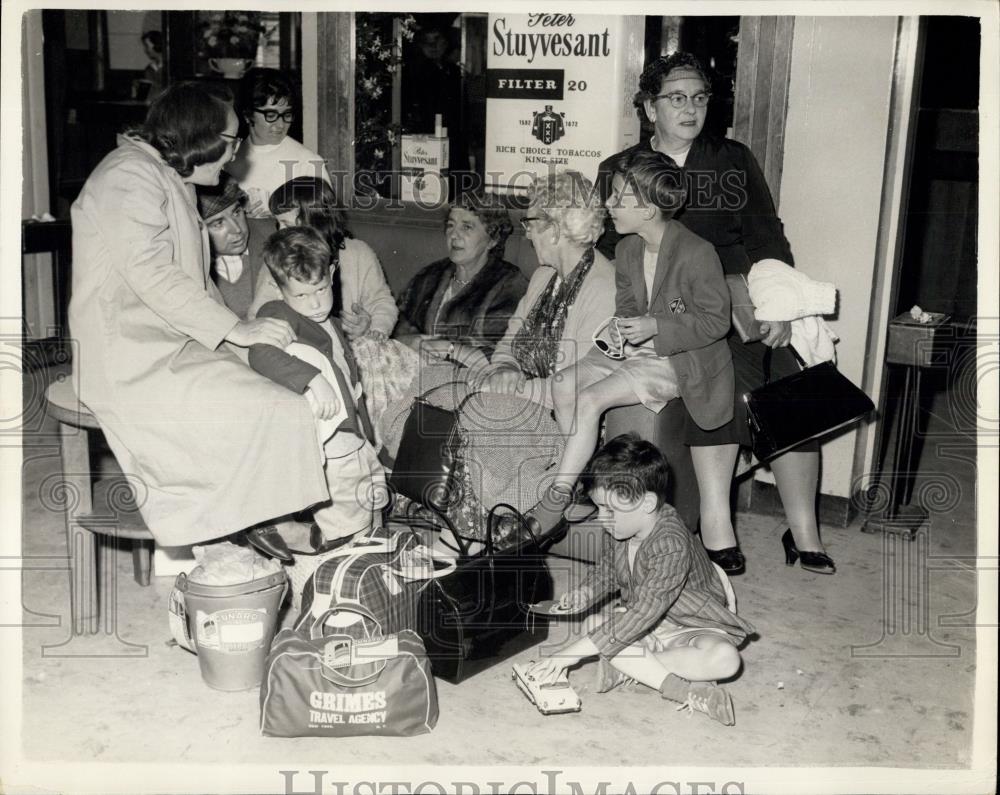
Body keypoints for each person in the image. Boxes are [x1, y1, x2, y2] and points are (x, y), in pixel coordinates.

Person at [68, 82, 329, 559]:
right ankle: (246, 519)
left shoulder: (172, 178)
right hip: (128, 351)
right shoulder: (128, 177)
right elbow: (152, 274)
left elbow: (198, 283)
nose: (235, 157)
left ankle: (262, 514)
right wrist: (236, 332)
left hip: (175, 339)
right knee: (246, 409)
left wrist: (238, 342)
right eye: (230, 143)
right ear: (197, 138)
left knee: (286, 402)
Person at [597, 52, 835, 575]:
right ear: (648, 107)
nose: (691, 108)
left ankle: (803, 532)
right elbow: (617, 252)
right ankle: (717, 524)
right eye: (676, 98)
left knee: (792, 386)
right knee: (716, 376)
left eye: (700, 98)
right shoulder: (618, 169)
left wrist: (777, 309)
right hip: (675, 306)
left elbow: (767, 239)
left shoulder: (731, 158)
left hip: (739, 296)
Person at [380, 171, 614, 550]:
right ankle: (427, 499)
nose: (527, 232)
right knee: (435, 378)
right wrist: (502, 368)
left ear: (555, 229)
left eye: (533, 223)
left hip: (559, 419)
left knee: (479, 414)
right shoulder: (544, 278)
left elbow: (581, 381)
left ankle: (461, 539)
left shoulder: (603, 288)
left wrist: (518, 387)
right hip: (517, 392)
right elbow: (507, 343)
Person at [539, 148, 734, 532]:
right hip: (634, 350)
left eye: (617, 196)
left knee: (592, 399)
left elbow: (716, 322)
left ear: (647, 210)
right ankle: (581, 480)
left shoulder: (698, 253)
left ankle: (558, 495)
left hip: (676, 358)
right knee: (562, 384)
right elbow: (628, 306)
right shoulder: (628, 249)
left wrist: (655, 326)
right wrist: (619, 328)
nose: (608, 203)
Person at [525, 434, 755, 726]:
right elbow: (609, 569)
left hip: (693, 621)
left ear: (647, 503)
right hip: (648, 626)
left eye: (610, 510)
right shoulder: (621, 527)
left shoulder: (670, 542)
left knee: (726, 658)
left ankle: (633, 669)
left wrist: (565, 656)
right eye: (599, 508)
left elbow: (643, 612)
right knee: (593, 625)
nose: (601, 519)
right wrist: (586, 592)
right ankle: (670, 681)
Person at [248, 227, 387, 549]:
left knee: (373, 501)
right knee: (348, 518)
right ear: (279, 288)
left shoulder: (332, 322)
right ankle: (328, 556)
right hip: (332, 443)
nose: (314, 304)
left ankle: (375, 560)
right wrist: (313, 378)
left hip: (356, 437)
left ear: (332, 273)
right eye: (300, 295)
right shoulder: (278, 315)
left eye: (321, 289)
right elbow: (261, 353)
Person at [395, 191, 527, 365]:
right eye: (450, 225)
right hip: (414, 368)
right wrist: (411, 342)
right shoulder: (429, 276)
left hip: (469, 378)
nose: (454, 235)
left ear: (492, 239)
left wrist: (447, 349)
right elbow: (396, 329)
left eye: (467, 227)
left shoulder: (509, 284)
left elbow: (503, 355)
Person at [231, 68, 331, 218]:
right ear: (247, 115)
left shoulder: (308, 163)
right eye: (271, 115)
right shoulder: (228, 160)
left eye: (287, 114)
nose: (280, 124)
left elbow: (325, 225)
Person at [196, 172, 275, 319]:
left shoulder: (276, 236)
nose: (237, 229)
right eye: (218, 223)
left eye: (236, 212)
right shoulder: (186, 261)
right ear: (196, 229)